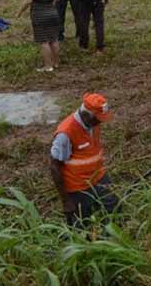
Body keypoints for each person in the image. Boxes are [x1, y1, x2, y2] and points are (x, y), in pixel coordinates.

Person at [50, 93, 119, 227]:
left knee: (114, 207)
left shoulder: (93, 123)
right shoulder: (66, 133)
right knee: (82, 223)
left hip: (98, 176)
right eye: (98, 119)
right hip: (78, 186)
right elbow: (54, 167)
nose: (101, 122)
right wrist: (66, 201)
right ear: (86, 115)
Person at [16, 0, 60, 72]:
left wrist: (19, 12)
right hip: (53, 14)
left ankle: (48, 66)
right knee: (54, 39)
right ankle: (56, 63)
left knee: (44, 41)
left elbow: (28, 0)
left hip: (40, 16)